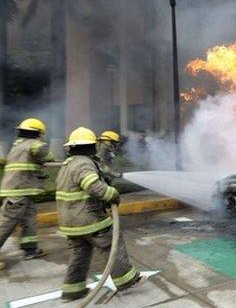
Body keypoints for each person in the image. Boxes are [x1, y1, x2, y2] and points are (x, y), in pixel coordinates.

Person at [56, 127, 145, 301]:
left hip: (69, 221)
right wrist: (112, 194)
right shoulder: (83, 163)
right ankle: (126, 280)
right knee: (111, 243)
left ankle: (72, 290)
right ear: (91, 146)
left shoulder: (68, 164)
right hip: (88, 218)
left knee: (79, 254)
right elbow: (93, 187)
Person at [0, 118, 54, 270]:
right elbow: (48, 156)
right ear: (38, 133)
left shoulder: (17, 145)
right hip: (18, 191)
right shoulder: (35, 144)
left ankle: (30, 249)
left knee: (29, 219)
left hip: (21, 190)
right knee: (6, 223)